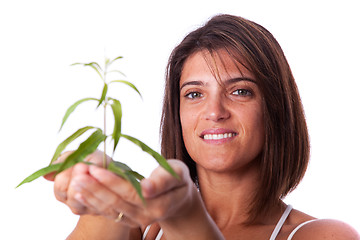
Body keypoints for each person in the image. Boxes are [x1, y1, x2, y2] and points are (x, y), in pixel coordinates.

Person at [46, 14, 359, 239]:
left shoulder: (323, 235)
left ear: (275, 108)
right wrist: (101, 191)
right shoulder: (140, 229)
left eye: (240, 91)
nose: (214, 111)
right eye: (194, 94)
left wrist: (187, 215)